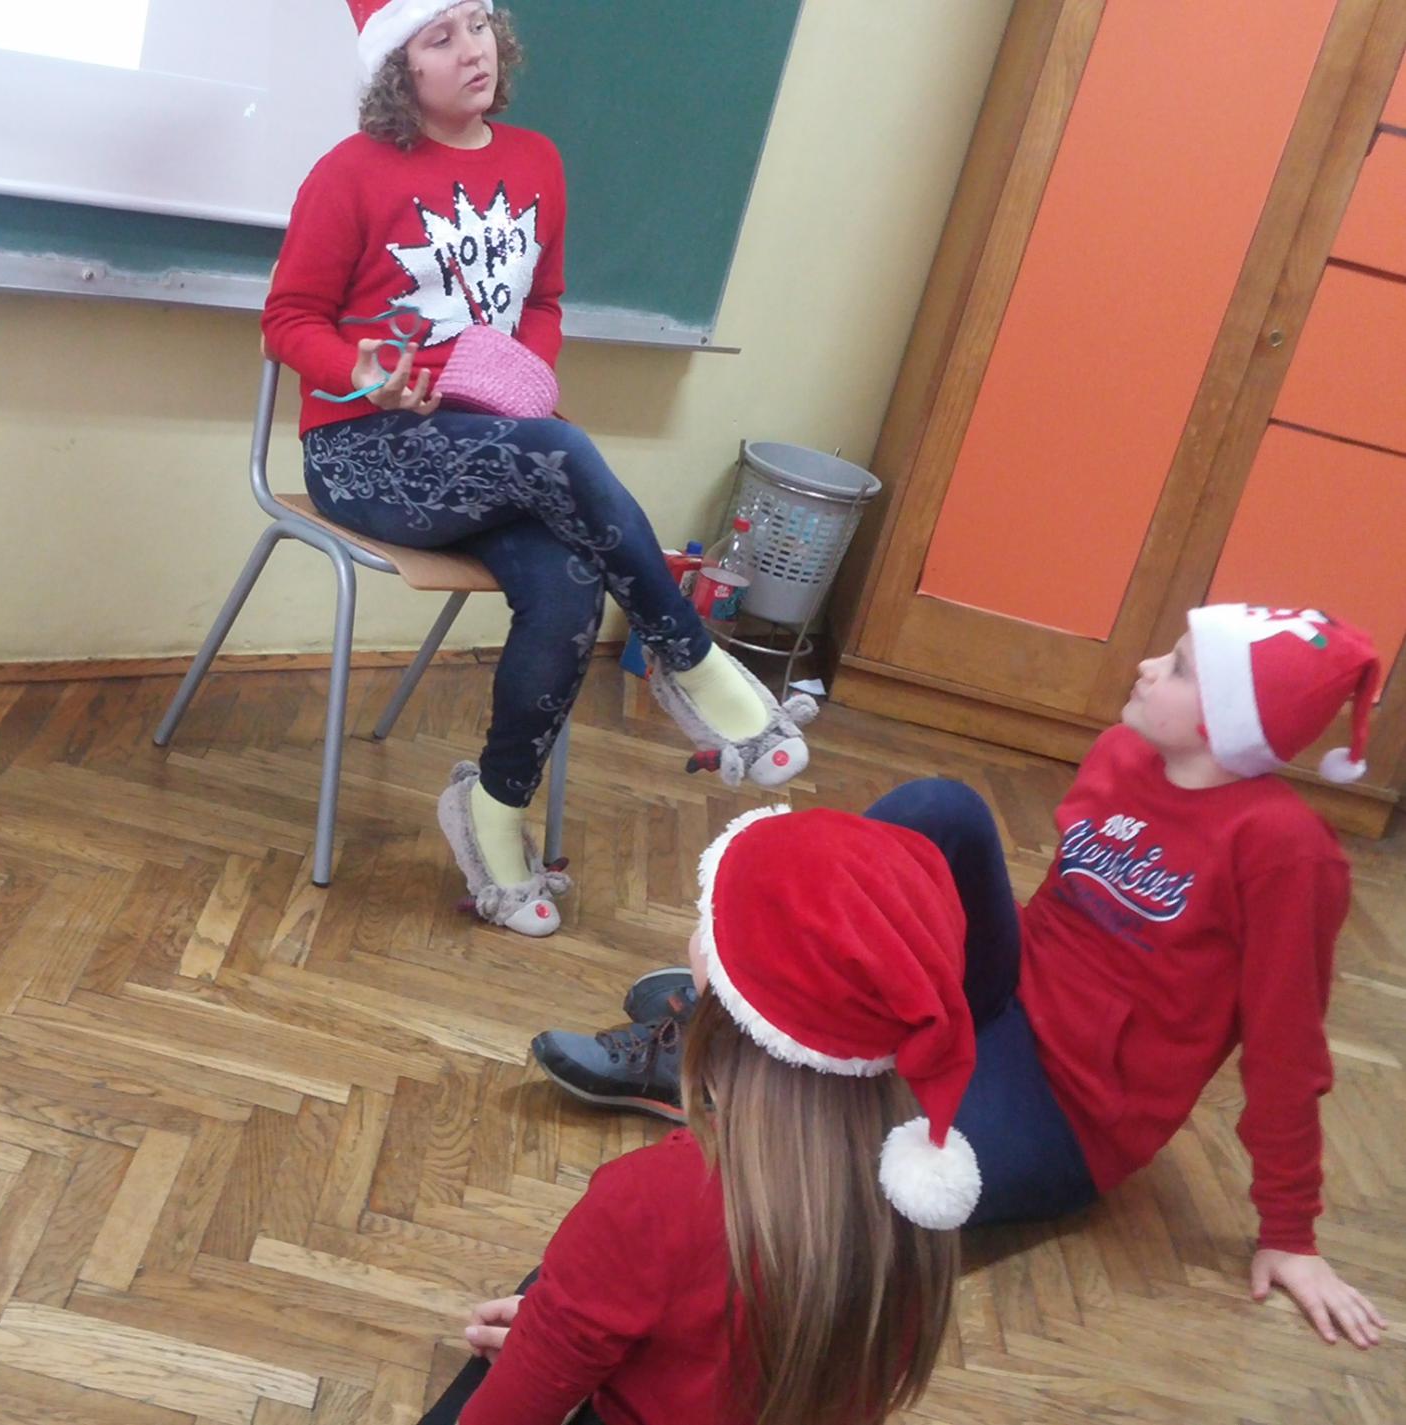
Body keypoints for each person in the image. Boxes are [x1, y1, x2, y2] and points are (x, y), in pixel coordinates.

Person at [533, 604, 1391, 1350]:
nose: (1144, 665)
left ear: (1230, 721)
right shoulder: (1124, 753)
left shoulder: (1286, 855)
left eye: (1178, 668)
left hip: (1071, 1109)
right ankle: (735, 1008)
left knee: (856, 1186)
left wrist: (1291, 1231)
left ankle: (732, 1074)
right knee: (941, 810)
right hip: (1003, 992)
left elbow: (1286, 1049)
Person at [262, 0, 813, 938]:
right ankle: (689, 658)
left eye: (478, 25)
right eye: (440, 38)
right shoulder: (349, 173)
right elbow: (288, 320)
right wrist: (364, 372)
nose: (472, 50)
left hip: (494, 449)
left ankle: (493, 809)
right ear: (399, 68)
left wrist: (524, 376)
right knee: (561, 450)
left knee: (568, 582)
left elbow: (544, 301)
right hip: (365, 451)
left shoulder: (537, 162)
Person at [419, 808, 969, 1424]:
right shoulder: (917, 1189)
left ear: (720, 988)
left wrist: (555, 1345)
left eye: (706, 917)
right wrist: (567, 1327)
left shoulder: (655, 1200)